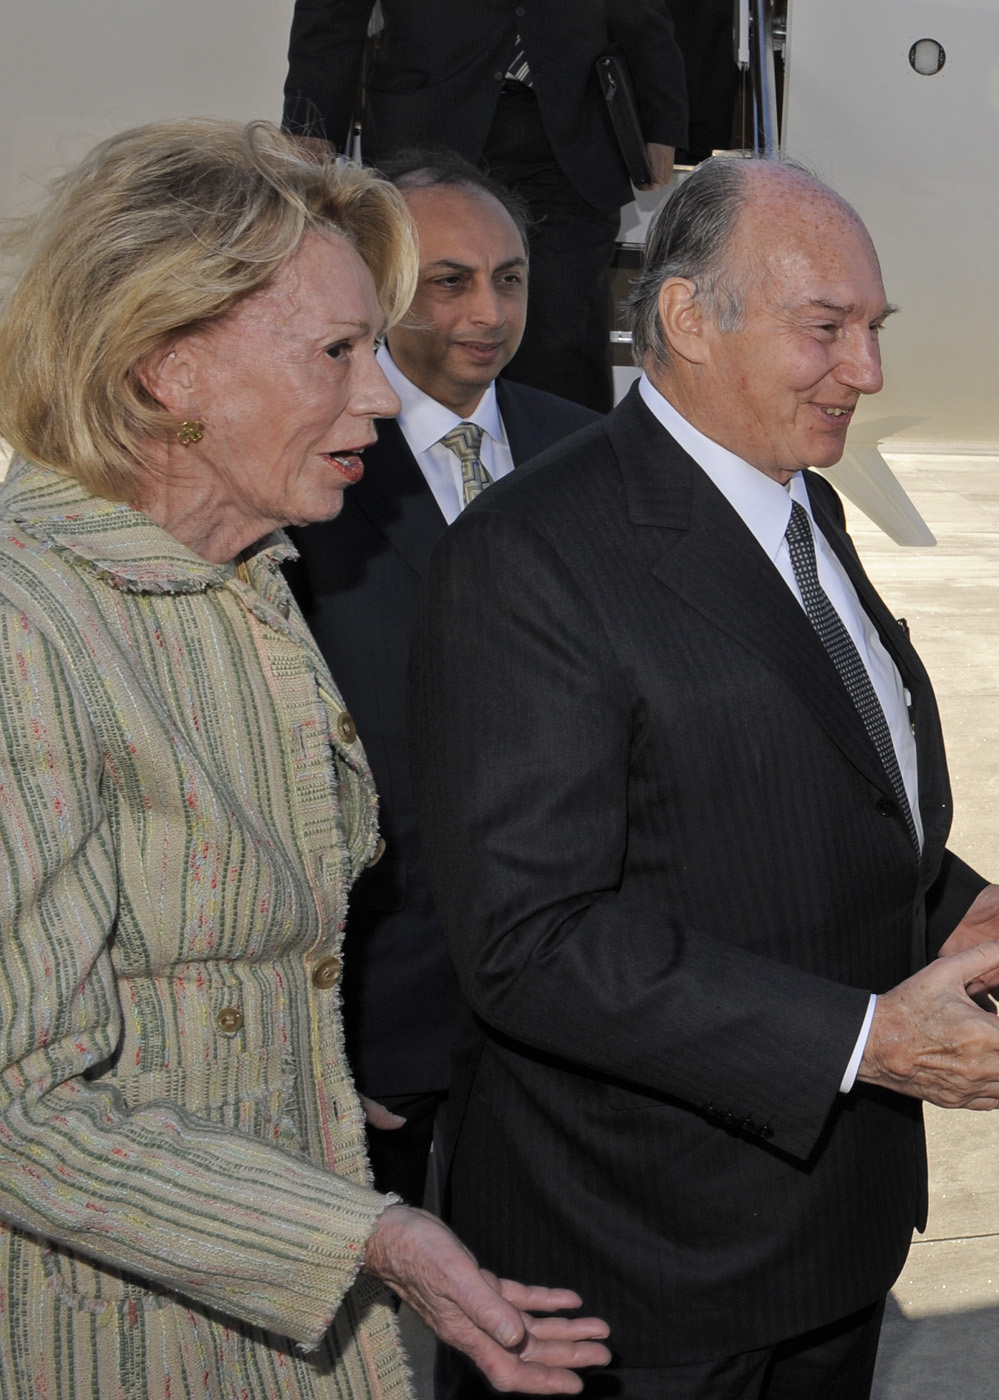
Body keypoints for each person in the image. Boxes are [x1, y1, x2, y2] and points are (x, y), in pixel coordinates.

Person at [409, 156, 999, 1399]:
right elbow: (532, 937)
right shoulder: (533, 555)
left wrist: (942, 895)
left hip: (826, 1238)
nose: (869, 371)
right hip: (643, 1276)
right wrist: (868, 1036)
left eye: (875, 330)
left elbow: (780, 774)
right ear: (686, 318)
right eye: (825, 329)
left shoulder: (800, 509)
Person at [0, 119, 609, 1398]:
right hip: (114, 1339)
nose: (383, 396)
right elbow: (19, 1106)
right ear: (167, 367)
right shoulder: (25, 630)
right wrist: (371, 1232)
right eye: (337, 353)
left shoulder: (250, 587)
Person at [286, 148, 599, 1210]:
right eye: (449, 279)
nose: (489, 309)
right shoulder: (306, 466)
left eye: (509, 277)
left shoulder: (592, 453)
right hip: (383, 1004)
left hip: (570, 998)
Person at [283, 0, 688, 412]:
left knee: (565, 341)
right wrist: (310, 124)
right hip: (427, 120)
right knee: (422, 330)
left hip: (571, 136)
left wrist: (660, 121)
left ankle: (569, 473)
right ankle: (419, 471)